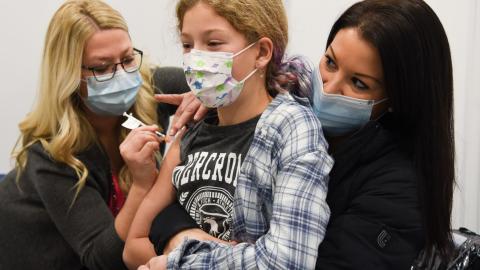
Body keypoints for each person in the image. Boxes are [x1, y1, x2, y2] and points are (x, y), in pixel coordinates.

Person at [145, 0, 456, 269]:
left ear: (398, 100)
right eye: (330, 62)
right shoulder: (287, 109)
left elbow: (290, 264)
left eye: (359, 84)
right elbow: (159, 217)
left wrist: (185, 247)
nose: (330, 87)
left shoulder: (397, 190)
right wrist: (212, 92)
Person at [120, 0, 333, 269]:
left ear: (262, 52)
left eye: (214, 44)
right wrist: (224, 250)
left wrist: (179, 248)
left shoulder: (291, 128)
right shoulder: (191, 131)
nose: (195, 59)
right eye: (187, 45)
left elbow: (285, 262)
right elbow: (134, 246)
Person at [0, 0, 166, 269]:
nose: (122, 75)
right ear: (69, 75)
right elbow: (101, 259)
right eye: (102, 69)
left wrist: (204, 95)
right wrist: (141, 184)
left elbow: (205, 84)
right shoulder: (50, 154)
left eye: (127, 59)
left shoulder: (147, 90)